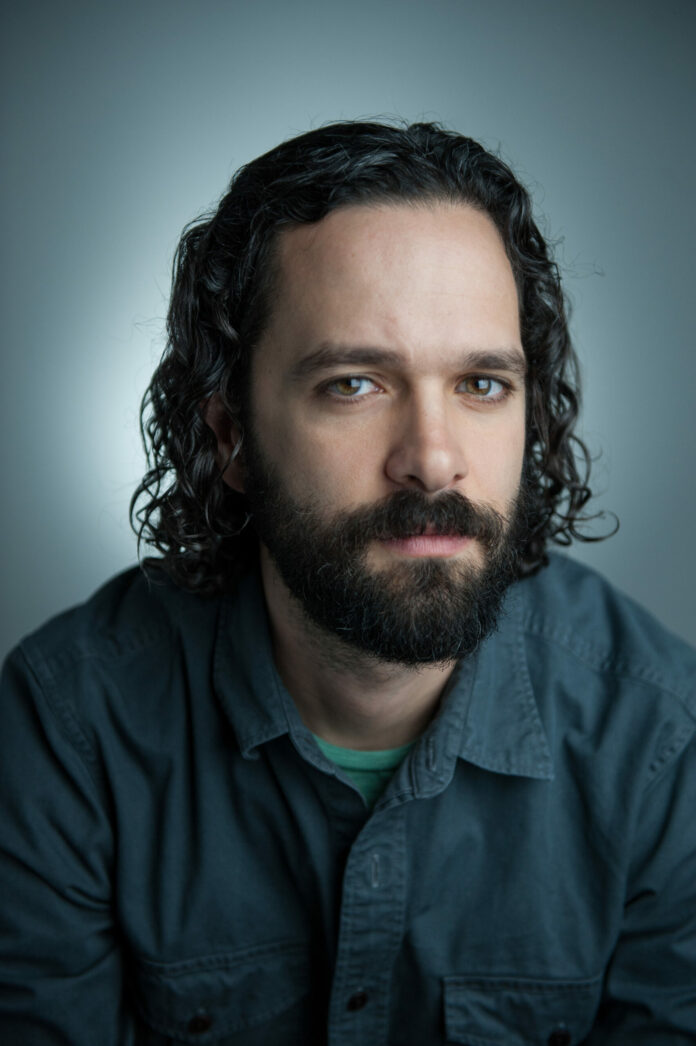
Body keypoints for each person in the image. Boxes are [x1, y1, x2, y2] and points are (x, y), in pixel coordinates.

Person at [0, 121, 694, 1046]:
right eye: (354, 384)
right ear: (230, 436)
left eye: (482, 385)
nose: (433, 461)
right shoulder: (69, 729)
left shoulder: (659, 741)